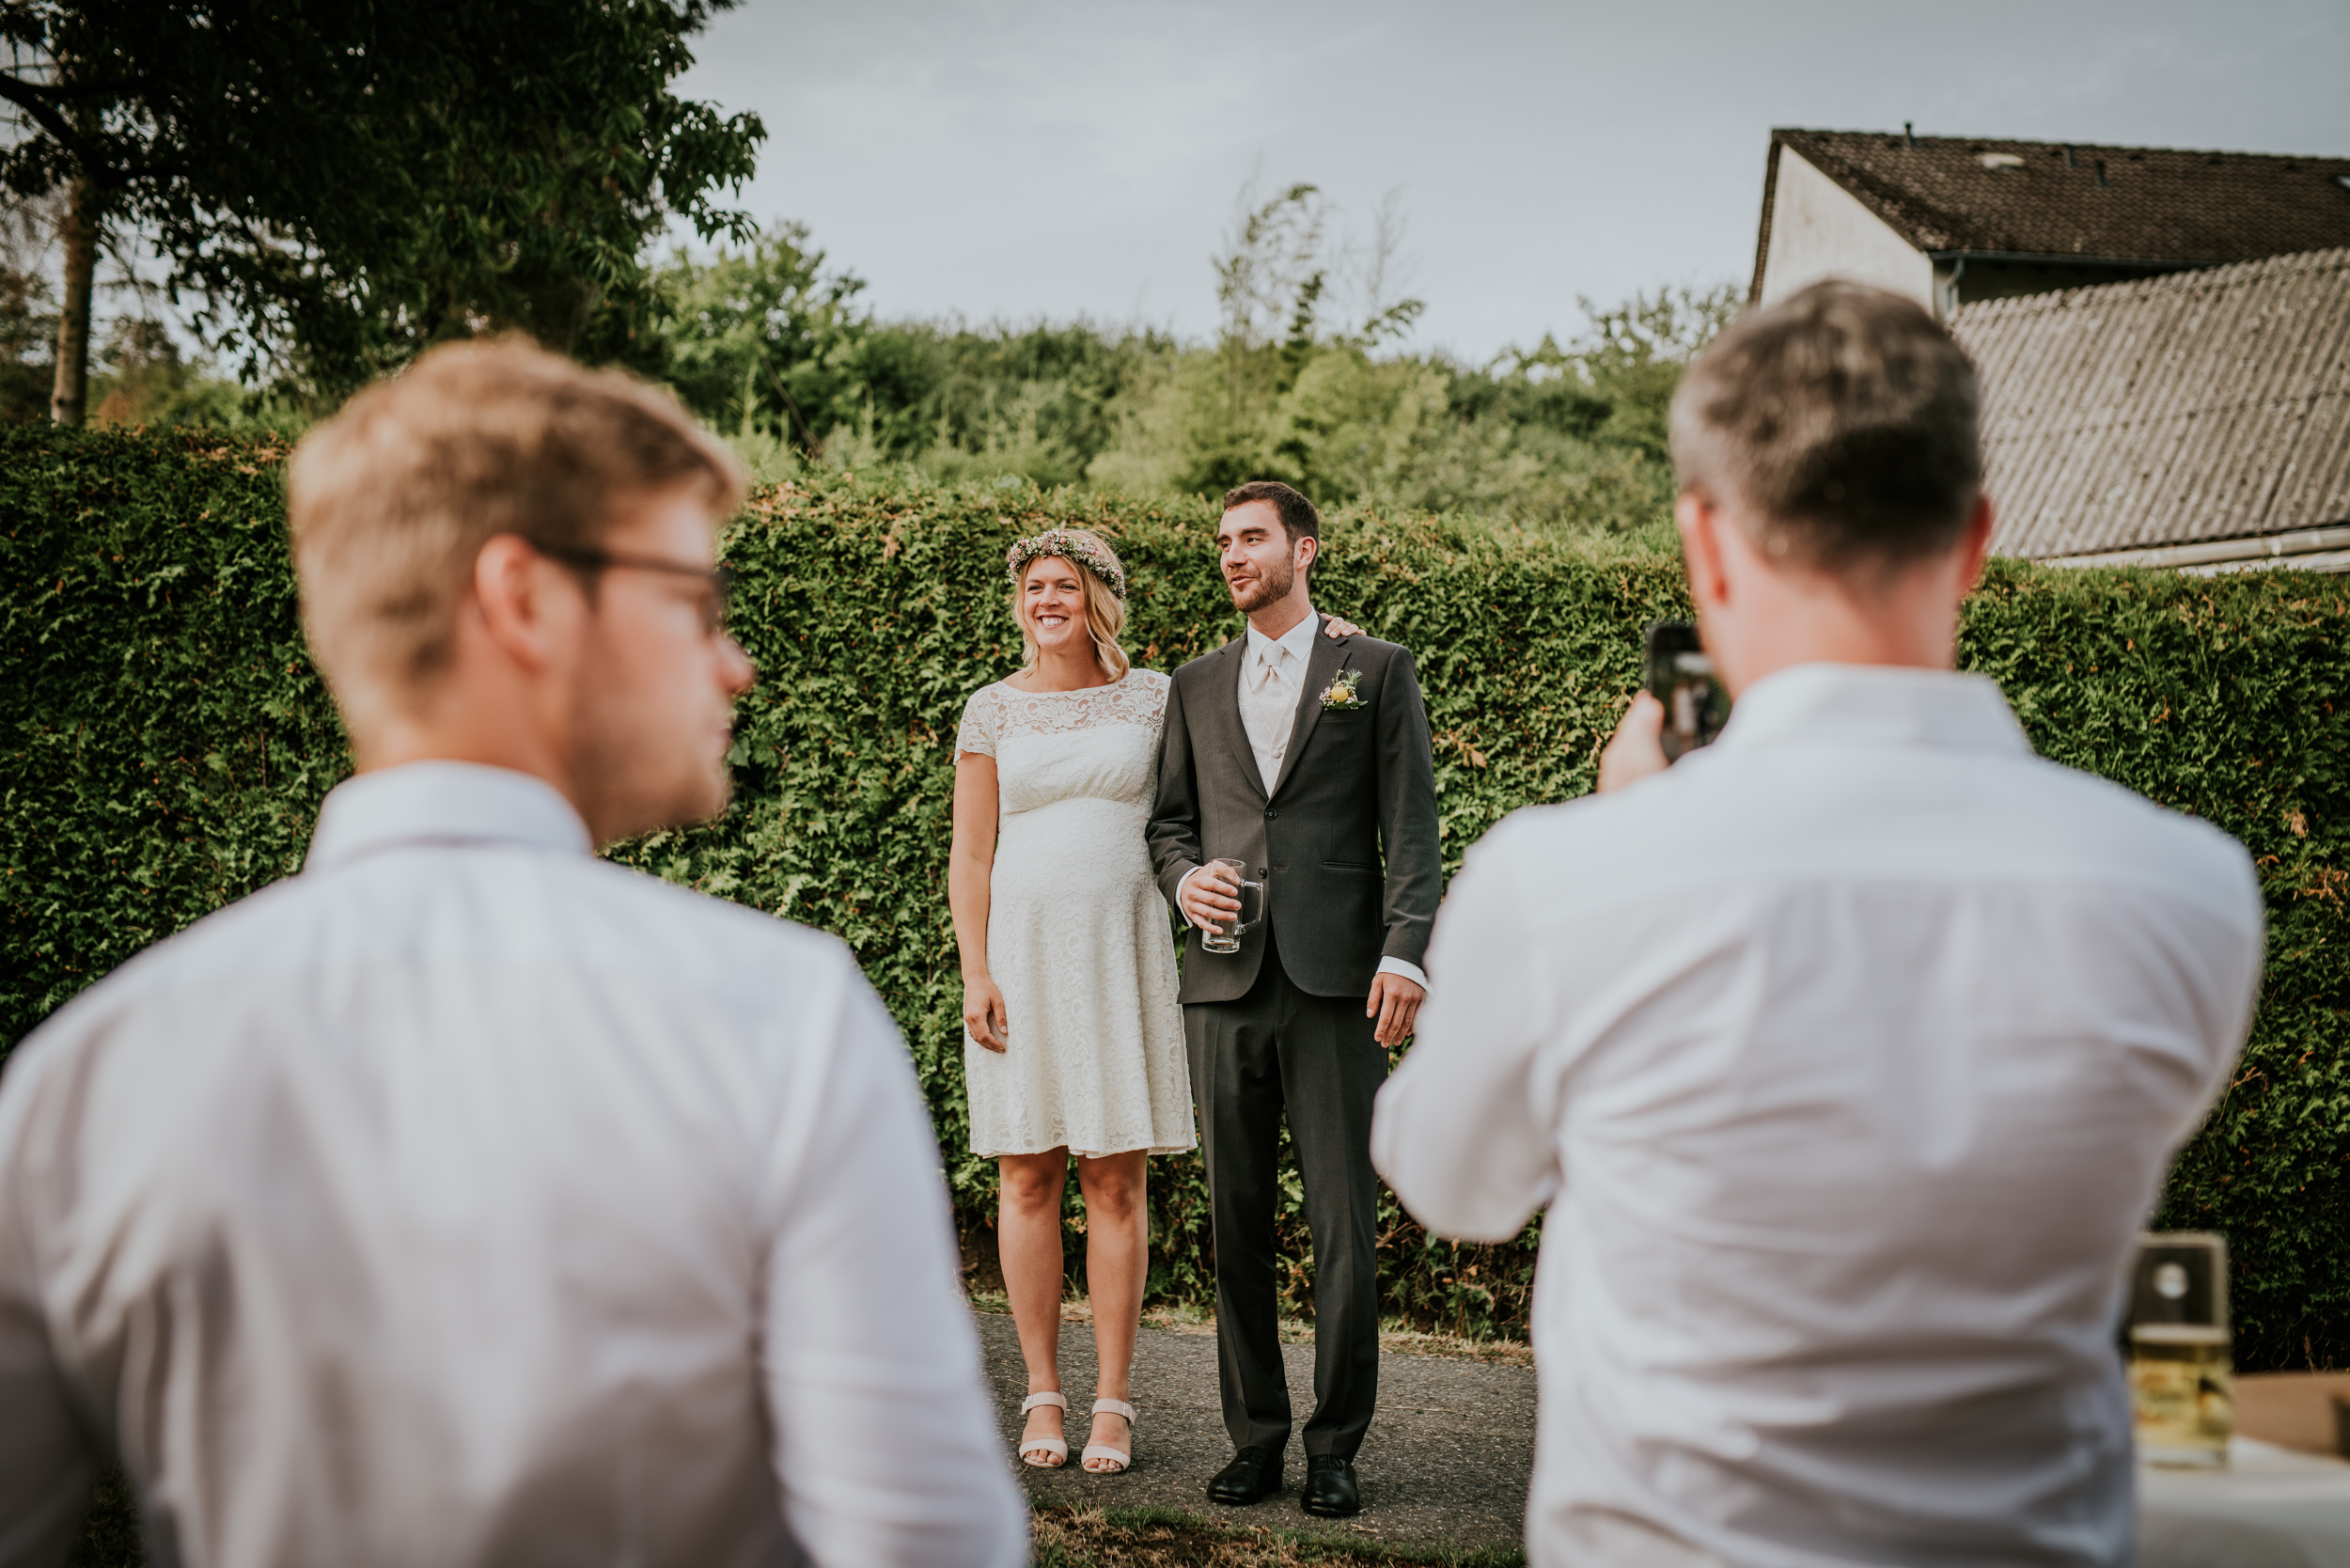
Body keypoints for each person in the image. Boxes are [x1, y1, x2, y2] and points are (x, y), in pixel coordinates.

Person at [0, 340, 1026, 1568]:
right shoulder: (780, 1022)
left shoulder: (78, 1083)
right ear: (524, 598)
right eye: (695, 602)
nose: (735, 661)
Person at [1371, 281, 2264, 1567]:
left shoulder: (1563, 879)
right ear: (1974, 538)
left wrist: (1621, 836)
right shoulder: (2191, 890)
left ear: (1707, 544)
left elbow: (1453, 1185)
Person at [949, 528, 1357, 1477]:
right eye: (1033, 587)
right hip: (1019, 957)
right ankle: (1041, 1391)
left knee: (1114, 1180)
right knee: (1026, 1176)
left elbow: (1255, 721)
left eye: (1064, 585)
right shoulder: (990, 709)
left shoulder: (1157, 695)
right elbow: (970, 853)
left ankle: (1113, 1401)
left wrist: (1329, 640)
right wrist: (975, 970)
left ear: (1098, 597)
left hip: (1122, 954)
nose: (1046, 600)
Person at [1148, 480, 1443, 1520]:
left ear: (1303, 549)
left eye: (1252, 538)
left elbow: (1412, 826)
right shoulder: (1191, 684)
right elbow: (1168, 824)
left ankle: (1335, 1446)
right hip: (1223, 981)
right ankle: (1255, 1438)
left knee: (1342, 1224)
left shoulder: (1376, 668)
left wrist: (1406, 956)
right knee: (1233, 1222)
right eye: (1223, 542)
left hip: (1336, 980)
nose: (1232, 556)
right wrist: (1185, 881)